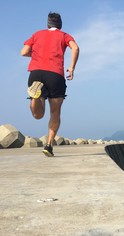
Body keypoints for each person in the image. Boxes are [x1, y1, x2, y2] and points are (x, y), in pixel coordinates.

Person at [21, 12, 80, 157]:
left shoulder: (37, 34)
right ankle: (48, 145)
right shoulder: (65, 35)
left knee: (38, 115)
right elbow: (76, 48)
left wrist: (35, 55)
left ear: (47, 24)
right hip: (55, 75)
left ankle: (36, 97)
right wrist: (72, 67)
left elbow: (24, 52)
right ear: (60, 25)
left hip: (36, 73)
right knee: (55, 112)